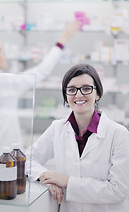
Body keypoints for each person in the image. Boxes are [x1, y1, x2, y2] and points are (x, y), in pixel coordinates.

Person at [0, 20, 79, 166]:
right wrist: (63, 40)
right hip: (7, 156)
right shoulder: (7, 82)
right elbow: (42, 70)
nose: (5, 56)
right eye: (2, 53)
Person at [26, 63, 129, 212]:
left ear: (98, 93)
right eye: (72, 90)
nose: (79, 95)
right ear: (66, 95)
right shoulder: (57, 128)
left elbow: (118, 191)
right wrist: (44, 176)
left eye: (86, 88)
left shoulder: (118, 134)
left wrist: (67, 182)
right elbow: (28, 159)